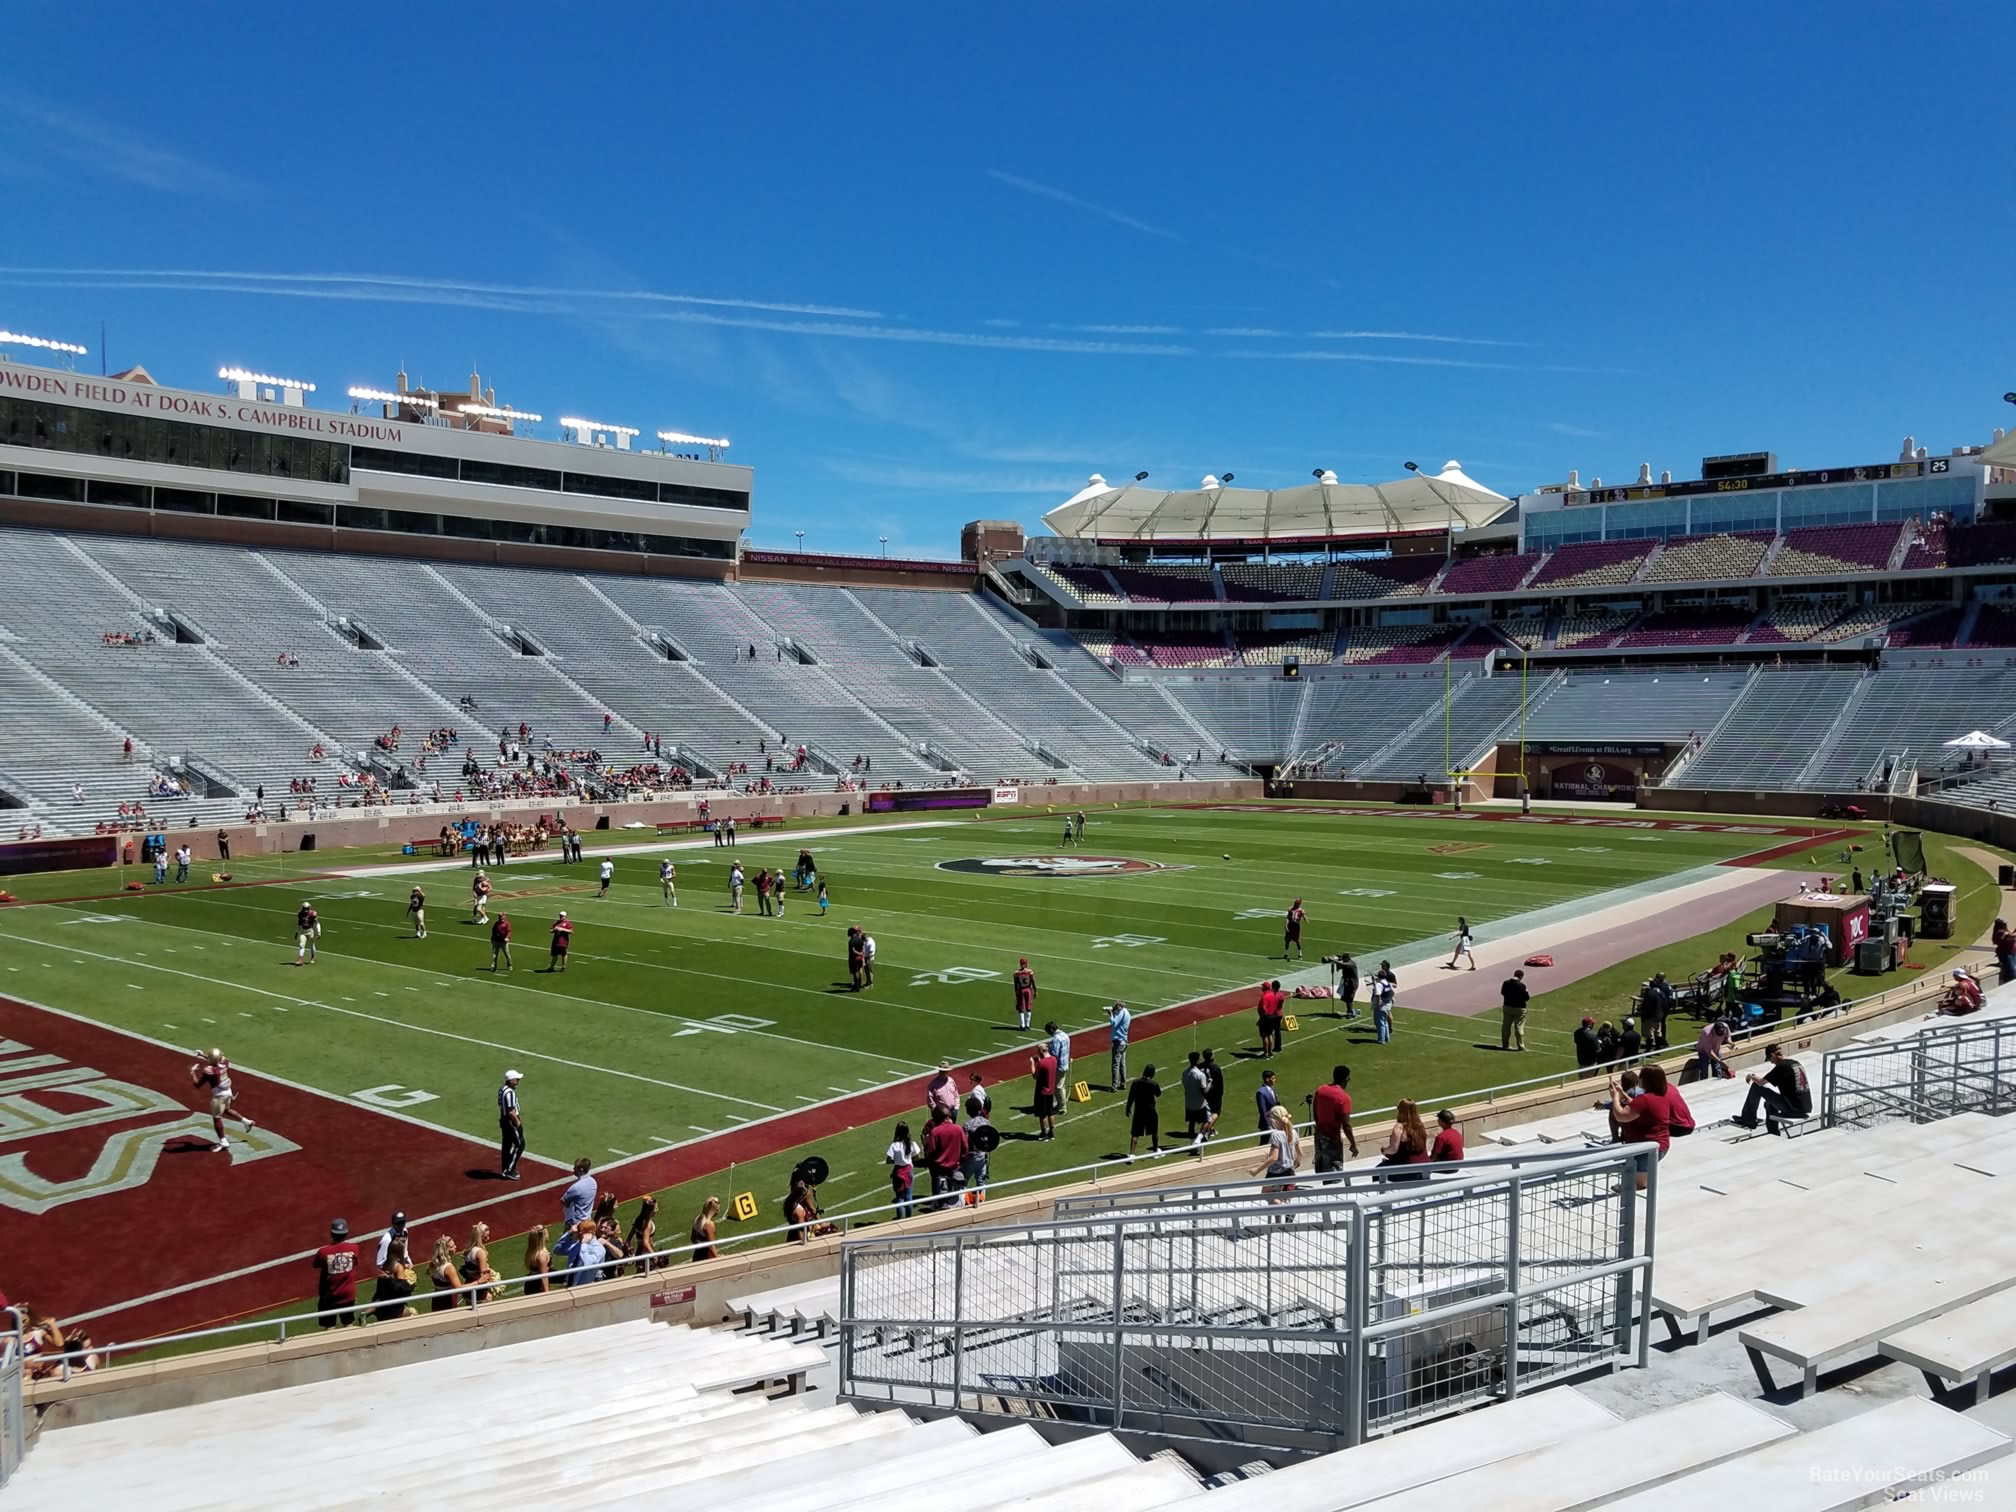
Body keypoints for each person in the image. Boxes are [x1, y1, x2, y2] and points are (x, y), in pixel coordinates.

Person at [1610, 1063, 1674, 1189]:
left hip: (1644, 1149)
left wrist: (1615, 1098)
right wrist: (1623, 1093)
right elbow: (1638, 1106)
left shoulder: (1644, 1099)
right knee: (1642, 1177)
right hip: (1660, 1146)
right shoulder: (1662, 1097)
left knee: (1639, 1185)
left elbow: (1621, 1116)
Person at [190, 1047, 257, 1152]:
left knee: (217, 1118)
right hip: (228, 1092)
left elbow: (197, 1085)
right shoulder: (225, 1062)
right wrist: (202, 1055)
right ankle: (246, 1122)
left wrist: (193, 1072)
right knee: (226, 1110)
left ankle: (223, 1142)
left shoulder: (209, 1071)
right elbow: (217, 1060)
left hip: (219, 1096)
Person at [1733, 1042, 1811, 1133]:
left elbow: (1761, 1082)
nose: (1771, 1062)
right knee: (1769, 1104)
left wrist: (1751, 1076)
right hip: (1805, 1107)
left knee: (1756, 1087)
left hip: (1793, 1109)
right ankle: (1773, 1132)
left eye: (1770, 1059)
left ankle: (1748, 1120)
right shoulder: (1795, 1063)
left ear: (1772, 1055)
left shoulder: (1781, 1067)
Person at [310, 1218, 364, 1328]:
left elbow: (316, 1264)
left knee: (330, 1327)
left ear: (331, 1233)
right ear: (346, 1233)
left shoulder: (323, 1252)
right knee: (348, 1324)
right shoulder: (354, 1248)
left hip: (329, 1296)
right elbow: (355, 1262)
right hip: (348, 1295)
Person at [1251, 1104, 1301, 1209]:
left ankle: (1282, 1208)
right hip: (1290, 1172)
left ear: (1275, 1120)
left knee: (1267, 1194)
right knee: (1284, 1197)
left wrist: (1257, 1170)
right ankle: (1285, 1211)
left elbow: (1274, 1157)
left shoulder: (1276, 1135)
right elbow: (1300, 1152)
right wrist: (1297, 1161)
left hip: (1275, 1173)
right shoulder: (1293, 1132)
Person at [1311, 1065, 1360, 1172]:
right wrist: (1353, 1144)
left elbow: (1315, 1113)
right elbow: (1346, 1125)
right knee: (1334, 1170)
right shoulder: (1344, 1098)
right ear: (1346, 1079)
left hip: (1319, 1136)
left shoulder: (1320, 1090)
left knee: (1320, 1168)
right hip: (1332, 1139)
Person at [922, 1107, 969, 1206]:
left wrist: (928, 1162)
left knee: (939, 1197)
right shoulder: (958, 1129)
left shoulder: (935, 1132)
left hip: (939, 1169)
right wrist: (960, 1161)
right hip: (954, 1168)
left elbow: (931, 1151)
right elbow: (965, 1148)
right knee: (955, 1196)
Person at [1377, 1100, 1431, 1182]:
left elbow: (1393, 1149)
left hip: (1409, 1170)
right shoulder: (1420, 1126)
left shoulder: (1399, 1127)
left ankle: (1382, 1194)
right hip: (1426, 1167)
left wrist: (1383, 1150)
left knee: (1377, 1172)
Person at [372, 1236, 418, 1322]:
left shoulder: (385, 1265)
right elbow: (401, 1289)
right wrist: (409, 1283)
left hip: (382, 1302)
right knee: (413, 1314)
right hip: (393, 1308)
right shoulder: (398, 1267)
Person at [1125, 1063, 1163, 1156]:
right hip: (1150, 1109)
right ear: (1152, 1074)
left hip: (1139, 1110)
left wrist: (1128, 1108)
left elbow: (1131, 1097)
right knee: (1154, 1131)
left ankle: (1132, 1154)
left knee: (1135, 1133)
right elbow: (1158, 1094)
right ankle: (1155, 1150)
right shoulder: (1154, 1084)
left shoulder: (1135, 1082)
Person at [962, 1094, 993, 1195]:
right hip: (983, 1156)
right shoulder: (986, 1122)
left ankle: (962, 1202)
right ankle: (982, 1201)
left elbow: (965, 1142)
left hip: (971, 1157)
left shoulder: (967, 1125)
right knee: (981, 1181)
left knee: (963, 1182)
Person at [497, 1068, 525, 1179]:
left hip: (503, 1120)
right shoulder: (510, 1093)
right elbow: (511, 1111)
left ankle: (505, 1169)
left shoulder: (502, 1089)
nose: (518, 1081)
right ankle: (509, 1170)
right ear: (511, 1080)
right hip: (510, 1122)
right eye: (516, 1079)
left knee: (507, 1144)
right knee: (520, 1144)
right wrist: (518, 1123)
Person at [1030, 1040, 1060, 1141]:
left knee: (1042, 1114)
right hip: (1050, 1090)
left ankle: (1044, 1133)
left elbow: (1035, 1076)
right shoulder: (1054, 1060)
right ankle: (1052, 1132)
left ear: (1041, 1051)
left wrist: (1032, 1064)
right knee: (1050, 1111)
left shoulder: (1042, 1063)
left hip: (1042, 1091)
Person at [626, 1195, 660, 1272]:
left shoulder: (638, 1219)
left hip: (639, 1251)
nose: (656, 1210)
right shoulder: (647, 1224)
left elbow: (631, 1233)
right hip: (646, 1253)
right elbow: (645, 1242)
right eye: (655, 1208)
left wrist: (627, 1244)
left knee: (640, 1271)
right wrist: (654, 1255)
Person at [427, 1234, 461, 1310]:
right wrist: (478, 1282)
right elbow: (459, 1289)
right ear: (446, 1250)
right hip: (448, 1301)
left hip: (436, 1300)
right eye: (452, 1247)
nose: (456, 1247)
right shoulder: (449, 1268)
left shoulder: (433, 1264)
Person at [1499, 969, 1531, 1052]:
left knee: (1506, 1026)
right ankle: (1521, 1046)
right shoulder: (1522, 986)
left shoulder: (1506, 983)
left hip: (1507, 1007)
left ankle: (1505, 1045)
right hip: (1519, 1008)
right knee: (1519, 1027)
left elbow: (1502, 993)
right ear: (1521, 976)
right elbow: (1527, 998)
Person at [562, 1157, 597, 1227]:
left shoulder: (576, 1187)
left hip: (575, 1223)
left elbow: (563, 1200)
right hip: (587, 1221)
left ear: (581, 1169)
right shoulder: (593, 1182)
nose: (573, 1169)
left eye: (575, 1167)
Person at [1256, 979, 1285, 1057]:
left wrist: (1261, 1018)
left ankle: (1266, 1052)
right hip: (1273, 1015)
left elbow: (1264, 1008)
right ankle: (1270, 1051)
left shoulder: (1265, 996)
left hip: (1267, 1016)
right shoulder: (1274, 995)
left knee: (1265, 1035)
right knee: (1270, 1034)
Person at [1201, 1047, 1226, 1136]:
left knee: (1208, 1112)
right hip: (1214, 1093)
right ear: (1211, 1056)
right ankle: (1207, 1129)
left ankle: (1211, 1129)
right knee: (1216, 1113)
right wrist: (1221, 1093)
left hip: (1203, 1093)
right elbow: (1219, 1082)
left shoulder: (1200, 1066)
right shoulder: (1215, 1067)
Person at [521, 1226, 552, 1295]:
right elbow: (544, 1278)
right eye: (547, 1233)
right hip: (538, 1287)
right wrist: (548, 1294)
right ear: (543, 1237)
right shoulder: (542, 1255)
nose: (548, 1234)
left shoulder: (532, 1252)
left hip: (529, 1285)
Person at [1108, 1001, 1131, 1090]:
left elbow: (1114, 1023)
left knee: (1115, 1064)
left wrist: (1110, 1014)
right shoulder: (1127, 1013)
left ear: (1119, 1006)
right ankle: (1123, 1083)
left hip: (1118, 1041)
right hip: (1124, 1041)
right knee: (1122, 1064)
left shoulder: (1122, 1013)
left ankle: (1114, 1086)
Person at [1370, 965, 1396, 1044]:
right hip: (1387, 1005)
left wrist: (1378, 1004)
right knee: (1385, 1022)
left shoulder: (1379, 984)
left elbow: (1377, 994)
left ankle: (1381, 1039)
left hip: (1381, 1006)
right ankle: (1386, 1038)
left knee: (1380, 1023)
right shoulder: (1388, 983)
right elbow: (1392, 992)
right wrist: (1388, 1000)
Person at [1254, 1067, 1280, 1140]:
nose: (1275, 1080)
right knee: (1265, 1141)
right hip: (1267, 1123)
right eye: (1273, 1078)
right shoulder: (1261, 1092)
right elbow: (1263, 1110)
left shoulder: (1273, 1089)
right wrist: (1268, 1124)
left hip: (1276, 1120)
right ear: (1267, 1079)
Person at [1334, 951, 1360, 1019]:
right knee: (1346, 998)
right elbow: (1338, 968)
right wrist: (1338, 961)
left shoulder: (1351, 963)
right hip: (1347, 983)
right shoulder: (1345, 963)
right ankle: (1350, 1011)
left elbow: (1344, 964)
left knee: (1349, 998)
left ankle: (1350, 1012)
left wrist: (1334, 960)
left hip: (1353, 983)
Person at [1013, 957, 1037, 1031]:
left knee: (1021, 1007)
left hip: (1021, 990)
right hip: (1028, 989)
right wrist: (1035, 991)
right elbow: (1033, 982)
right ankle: (1027, 1025)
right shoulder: (1030, 972)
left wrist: (1016, 993)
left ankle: (1022, 1025)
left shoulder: (1017, 973)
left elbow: (1016, 985)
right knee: (1028, 1007)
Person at [294, 901, 320, 966]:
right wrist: (297, 932)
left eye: (306, 908)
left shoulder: (312, 914)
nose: (305, 910)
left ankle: (312, 957)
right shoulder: (300, 914)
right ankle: (300, 959)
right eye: (304, 908)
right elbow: (299, 924)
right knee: (301, 945)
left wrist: (318, 932)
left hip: (310, 931)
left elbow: (317, 923)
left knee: (311, 945)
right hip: (303, 931)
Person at [848, 926, 867, 991]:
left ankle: (856, 986)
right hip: (860, 958)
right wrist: (861, 954)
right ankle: (859, 984)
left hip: (854, 958)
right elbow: (863, 947)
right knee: (860, 970)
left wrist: (859, 953)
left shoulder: (851, 941)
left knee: (855, 972)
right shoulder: (860, 939)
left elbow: (853, 950)